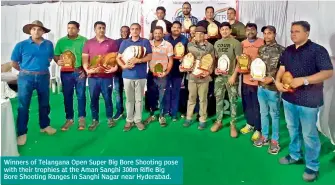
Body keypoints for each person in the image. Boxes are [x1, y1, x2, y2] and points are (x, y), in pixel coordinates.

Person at [275, 21, 333, 181]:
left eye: (297, 31)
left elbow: (328, 72)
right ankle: (295, 155)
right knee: (292, 129)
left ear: (307, 33)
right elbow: (281, 69)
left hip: (309, 101)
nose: (293, 34)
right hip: (288, 98)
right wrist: (278, 82)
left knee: (309, 134)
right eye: (291, 31)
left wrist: (304, 80)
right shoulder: (288, 50)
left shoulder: (318, 50)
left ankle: (312, 166)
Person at [11, 20, 56, 145]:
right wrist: (26, 71)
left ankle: (45, 126)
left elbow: (50, 58)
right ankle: (22, 133)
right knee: (23, 106)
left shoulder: (48, 44)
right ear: (30, 31)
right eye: (34, 29)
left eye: (39, 29)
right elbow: (14, 62)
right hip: (26, 78)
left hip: (43, 77)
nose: (36, 31)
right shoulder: (21, 45)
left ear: (43, 31)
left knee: (44, 103)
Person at [253, 26, 285, 155]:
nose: (267, 36)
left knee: (275, 114)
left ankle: (275, 141)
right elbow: (257, 66)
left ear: (275, 34)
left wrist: (272, 79)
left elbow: (284, 70)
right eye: (265, 34)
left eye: (269, 33)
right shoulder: (261, 49)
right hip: (261, 87)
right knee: (263, 113)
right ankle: (265, 137)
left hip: (273, 88)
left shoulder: (282, 50)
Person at [82, 21, 118, 131]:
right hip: (93, 78)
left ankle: (110, 118)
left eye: (103, 28)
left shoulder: (111, 42)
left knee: (108, 98)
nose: (101, 30)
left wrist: (115, 67)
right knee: (93, 99)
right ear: (95, 29)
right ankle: (95, 120)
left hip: (107, 77)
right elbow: (85, 60)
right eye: (99, 28)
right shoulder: (88, 43)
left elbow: (116, 58)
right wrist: (88, 69)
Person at [116, 23, 152, 131]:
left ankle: (138, 120)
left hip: (141, 75)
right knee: (129, 99)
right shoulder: (125, 42)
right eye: (132, 29)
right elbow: (118, 57)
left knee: (139, 99)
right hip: (127, 75)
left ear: (140, 30)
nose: (134, 31)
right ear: (130, 31)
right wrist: (124, 66)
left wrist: (138, 60)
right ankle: (129, 120)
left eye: (137, 29)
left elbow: (150, 56)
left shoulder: (145, 42)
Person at [54, 21, 88, 131]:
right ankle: (69, 119)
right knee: (67, 96)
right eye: (68, 28)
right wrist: (58, 61)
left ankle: (81, 118)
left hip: (80, 71)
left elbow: (89, 56)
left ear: (78, 29)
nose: (70, 30)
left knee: (81, 95)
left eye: (73, 28)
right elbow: (56, 55)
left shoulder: (84, 41)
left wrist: (85, 70)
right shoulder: (61, 41)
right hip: (66, 73)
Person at [211, 22, 241, 137]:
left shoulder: (236, 43)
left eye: (226, 29)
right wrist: (214, 70)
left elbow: (240, 61)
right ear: (219, 31)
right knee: (219, 98)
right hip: (219, 77)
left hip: (231, 76)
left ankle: (233, 124)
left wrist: (234, 75)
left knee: (233, 100)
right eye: (222, 29)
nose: (224, 31)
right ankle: (219, 121)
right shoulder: (217, 43)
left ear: (230, 30)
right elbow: (215, 59)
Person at [181, 26, 214, 130]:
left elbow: (212, 61)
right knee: (191, 98)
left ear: (205, 35)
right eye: (197, 33)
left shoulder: (210, 46)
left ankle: (202, 119)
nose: (199, 35)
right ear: (194, 34)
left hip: (204, 77)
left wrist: (209, 72)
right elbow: (186, 58)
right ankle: (189, 117)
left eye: (201, 33)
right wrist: (183, 66)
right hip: (191, 76)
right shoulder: (189, 45)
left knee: (203, 99)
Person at [144, 26, 174, 127]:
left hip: (163, 75)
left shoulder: (168, 45)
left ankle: (162, 115)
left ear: (163, 34)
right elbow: (146, 57)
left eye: (159, 33)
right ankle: (152, 115)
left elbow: (171, 61)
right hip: (151, 74)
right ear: (153, 34)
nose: (157, 35)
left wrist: (166, 72)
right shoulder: (148, 44)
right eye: (155, 33)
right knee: (151, 95)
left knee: (162, 96)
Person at [239, 23, 264, 141]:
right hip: (245, 79)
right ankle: (249, 124)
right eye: (248, 30)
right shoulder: (243, 44)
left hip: (258, 81)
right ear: (245, 32)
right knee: (247, 104)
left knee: (257, 106)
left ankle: (258, 129)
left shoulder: (262, 43)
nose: (250, 32)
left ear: (256, 31)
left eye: (252, 30)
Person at [163, 21, 188, 121]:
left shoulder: (184, 39)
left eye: (178, 27)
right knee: (166, 90)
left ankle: (174, 113)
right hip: (166, 68)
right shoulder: (165, 38)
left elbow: (187, 53)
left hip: (178, 69)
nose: (176, 29)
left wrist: (184, 58)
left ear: (181, 29)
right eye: (174, 27)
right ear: (171, 28)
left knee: (176, 90)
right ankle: (165, 111)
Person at [113, 25, 130, 120]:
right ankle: (119, 111)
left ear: (129, 32)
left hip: (129, 71)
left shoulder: (132, 42)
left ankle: (130, 111)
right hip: (118, 72)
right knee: (117, 92)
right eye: (122, 31)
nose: (124, 33)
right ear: (120, 32)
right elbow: (113, 56)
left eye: (126, 31)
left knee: (129, 92)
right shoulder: (116, 42)